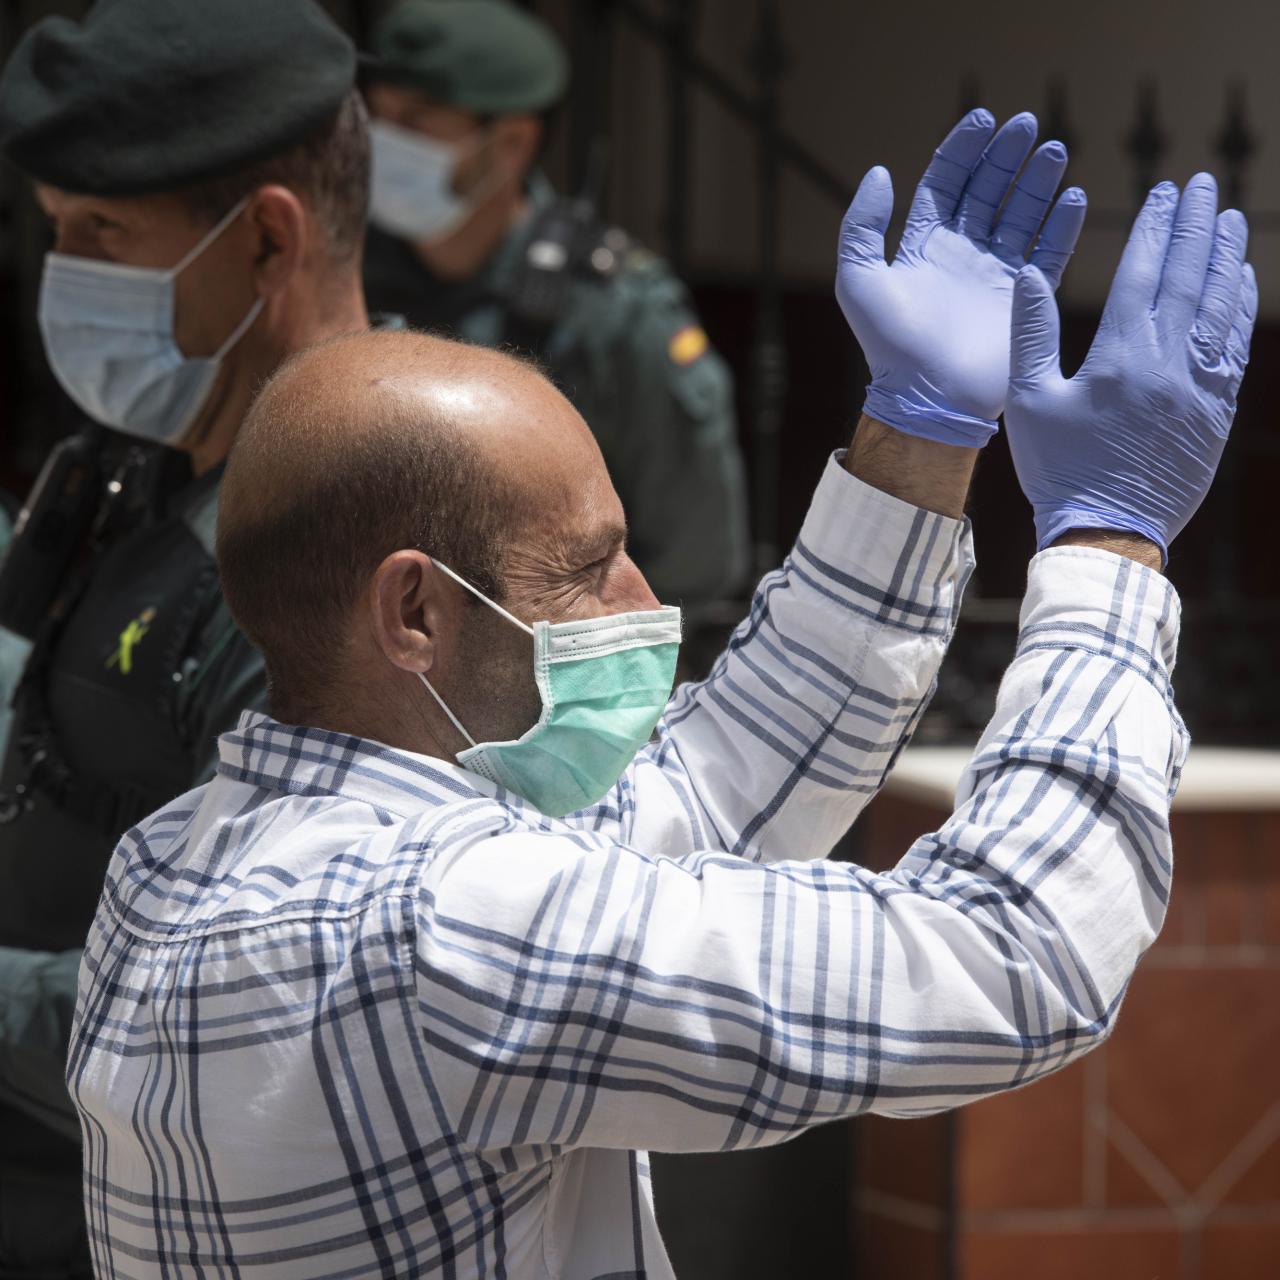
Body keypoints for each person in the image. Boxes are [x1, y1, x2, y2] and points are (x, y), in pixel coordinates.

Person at [67, 111, 1254, 1277]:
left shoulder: (173, 859)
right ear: (414, 613)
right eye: (586, 568)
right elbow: (1006, 957)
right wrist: (1109, 542)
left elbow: (723, 779)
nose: (641, 597)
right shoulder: (445, 931)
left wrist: (918, 433)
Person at [0, 1, 376, 1273]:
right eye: (56, 229)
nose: (66, 270)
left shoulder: (339, 555)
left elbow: (241, 999)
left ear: (266, 238)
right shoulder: (127, 466)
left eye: (102, 231)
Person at [361, 0, 750, 612]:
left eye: (416, 121)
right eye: (376, 118)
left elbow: (692, 558)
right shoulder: (349, 275)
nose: (384, 145)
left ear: (512, 142)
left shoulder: (615, 313)